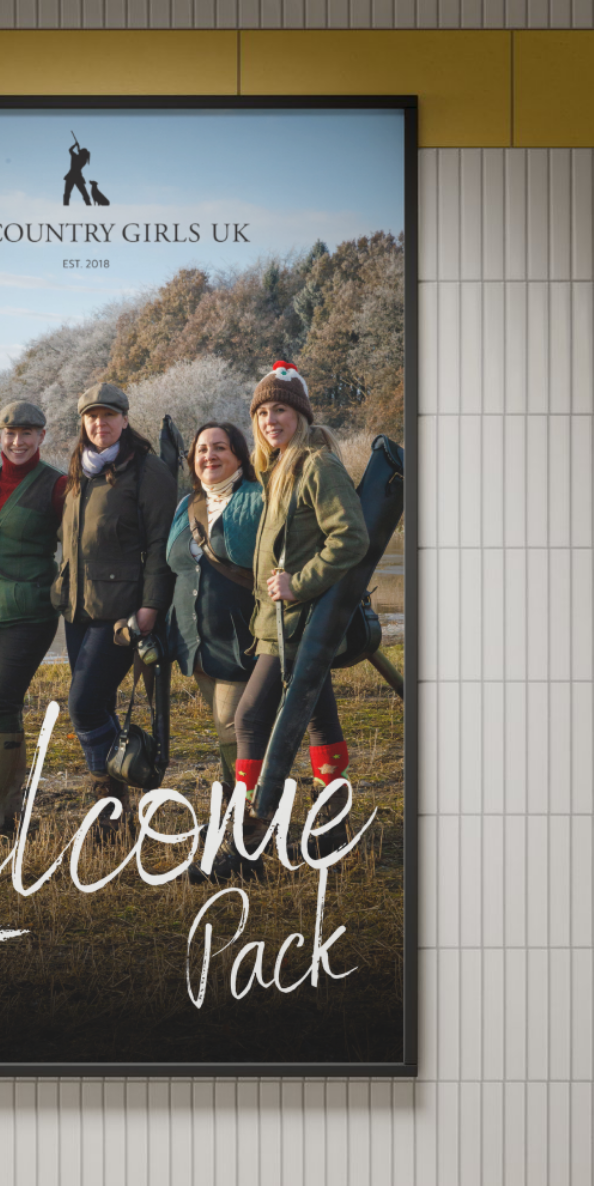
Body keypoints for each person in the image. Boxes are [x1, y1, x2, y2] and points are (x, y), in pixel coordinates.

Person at [197, 361, 369, 882]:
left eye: (282, 410)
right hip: (281, 624)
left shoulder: (316, 465)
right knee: (320, 719)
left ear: (300, 414)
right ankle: (333, 830)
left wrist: (301, 581)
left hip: (300, 622)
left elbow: (351, 537)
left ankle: (246, 848)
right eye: (264, 411)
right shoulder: (278, 467)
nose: (272, 419)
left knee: (249, 719)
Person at [51, 382, 178, 825]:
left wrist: (151, 606)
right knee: (99, 704)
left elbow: (163, 544)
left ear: (125, 419)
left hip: (122, 612)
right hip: (77, 609)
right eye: (91, 417)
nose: (100, 423)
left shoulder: (148, 470)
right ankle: (113, 814)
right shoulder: (77, 471)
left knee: (83, 705)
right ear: (83, 423)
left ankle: (108, 806)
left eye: (109, 415)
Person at [0, 401, 67, 834]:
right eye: (10, 434)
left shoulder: (57, 486)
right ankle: (8, 812)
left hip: (29, 611)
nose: (18, 442)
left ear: (42, 437)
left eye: (27, 434)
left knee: (0, 699)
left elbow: (77, 545)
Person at [165, 422, 261, 806]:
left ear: (238, 454)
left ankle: (246, 812)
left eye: (220, 448)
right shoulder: (185, 505)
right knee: (229, 728)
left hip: (243, 638)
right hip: (195, 641)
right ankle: (244, 807)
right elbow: (172, 567)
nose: (210, 456)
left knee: (234, 726)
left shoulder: (258, 498)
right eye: (202, 449)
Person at [63, 140, 91, 206]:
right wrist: (78, 148)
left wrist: (75, 145)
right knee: (84, 193)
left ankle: (66, 205)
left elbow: (70, 150)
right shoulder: (84, 160)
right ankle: (88, 204)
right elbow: (79, 154)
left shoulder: (75, 157)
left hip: (71, 176)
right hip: (78, 177)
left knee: (67, 193)